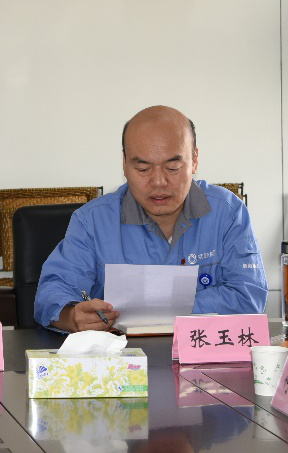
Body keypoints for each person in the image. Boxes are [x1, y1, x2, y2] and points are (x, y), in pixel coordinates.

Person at [34, 105, 268, 332]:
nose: (158, 182)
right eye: (143, 169)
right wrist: (72, 316)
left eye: (173, 167)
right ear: (124, 163)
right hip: (123, 354)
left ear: (195, 160)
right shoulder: (92, 221)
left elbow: (248, 296)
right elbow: (52, 293)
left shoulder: (227, 212)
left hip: (203, 351)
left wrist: (154, 311)